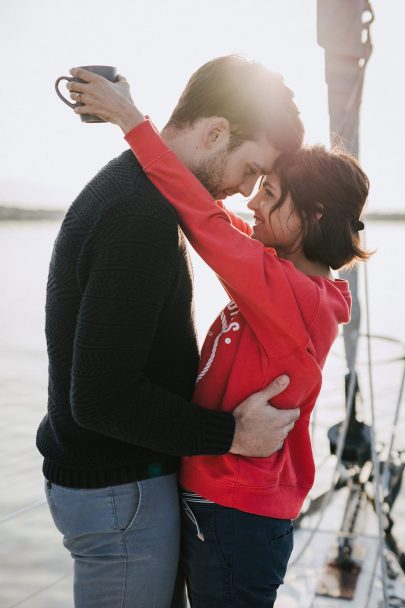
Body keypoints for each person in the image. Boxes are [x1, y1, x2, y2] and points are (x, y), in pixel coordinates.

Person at [66, 65, 371, 607]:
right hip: (220, 503)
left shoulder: (291, 295)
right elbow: (217, 220)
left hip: (236, 514)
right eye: (255, 178)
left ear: (311, 216)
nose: (249, 201)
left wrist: (133, 123)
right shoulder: (285, 279)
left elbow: (206, 223)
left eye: (268, 190)